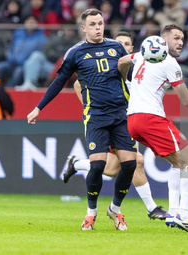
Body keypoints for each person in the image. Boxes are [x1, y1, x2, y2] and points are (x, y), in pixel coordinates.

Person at [27, 9, 137, 231]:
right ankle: (91, 213)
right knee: (97, 166)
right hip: (96, 116)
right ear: (84, 28)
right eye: (93, 24)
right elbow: (59, 82)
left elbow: (131, 79)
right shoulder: (75, 53)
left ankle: (115, 210)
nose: (98, 27)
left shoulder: (116, 47)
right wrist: (39, 107)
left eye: (100, 23)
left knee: (130, 164)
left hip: (120, 115)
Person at [118, 24, 188, 233]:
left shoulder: (141, 55)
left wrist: (125, 79)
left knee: (179, 164)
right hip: (151, 119)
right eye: (176, 38)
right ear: (163, 40)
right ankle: (183, 215)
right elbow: (187, 101)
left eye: (182, 39)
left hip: (133, 121)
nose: (181, 42)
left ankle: (175, 213)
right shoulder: (170, 62)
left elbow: (122, 61)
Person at [63, 31, 167, 220]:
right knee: (137, 162)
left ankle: (76, 164)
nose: (123, 47)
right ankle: (151, 208)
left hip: (126, 122)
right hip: (105, 120)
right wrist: (92, 111)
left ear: (131, 49)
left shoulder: (136, 71)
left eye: (127, 44)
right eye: (119, 43)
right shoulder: (106, 68)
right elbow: (78, 84)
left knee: (112, 169)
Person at [17, 23, 79, 90]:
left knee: (62, 61)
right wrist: (56, 54)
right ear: (64, 30)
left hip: (62, 69)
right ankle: (29, 83)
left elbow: (67, 58)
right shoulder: (55, 38)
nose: (69, 32)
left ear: (74, 32)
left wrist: (54, 53)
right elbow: (46, 51)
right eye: (67, 30)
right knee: (35, 56)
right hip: (50, 66)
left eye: (71, 31)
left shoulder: (76, 43)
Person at [0, 15, 47, 87]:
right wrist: (10, 58)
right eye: (28, 21)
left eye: (32, 22)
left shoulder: (41, 37)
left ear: (37, 24)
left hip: (25, 65)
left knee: (18, 72)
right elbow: (11, 47)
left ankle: (10, 91)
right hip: (12, 62)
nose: (30, 24)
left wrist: (23, 61)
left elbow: (37, 54)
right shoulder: (18, 33)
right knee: (0, 66)